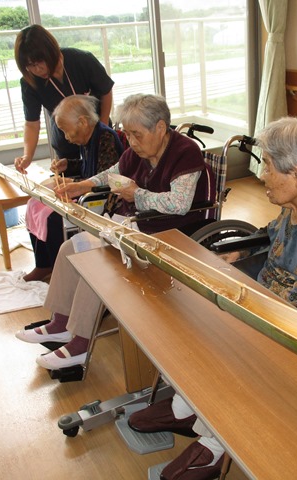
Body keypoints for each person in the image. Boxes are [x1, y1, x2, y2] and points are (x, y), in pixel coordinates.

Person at [127, 116, 297, 480]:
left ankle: (215, 446)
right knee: (196, 315)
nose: (262, 176)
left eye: (269, 167)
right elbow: (272, 234)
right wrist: (240, 252)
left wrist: (239, 305)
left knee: (229, 338)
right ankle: (186, 408)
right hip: (278, 294)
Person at [15, 93, 215, 369]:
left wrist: (137, 195)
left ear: (160, 128)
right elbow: (114, 171)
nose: (131, 142)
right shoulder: (139, 151)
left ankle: (81, 343)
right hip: (136, 226)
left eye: (136, 135)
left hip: (171, 233)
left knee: (98, 261)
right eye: (127, 135)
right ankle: (60, 323)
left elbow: (179, 204)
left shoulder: (185, 151)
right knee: (70, 247)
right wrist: (83, 185)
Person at [23, 95, 123, 282]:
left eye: (66, 131)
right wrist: (67, 165)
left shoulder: (105, 137)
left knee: (52, 217)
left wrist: (76, 183)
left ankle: (60, 270)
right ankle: (43, 265)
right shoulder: (86, 138)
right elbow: (87, 167)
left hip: (99, 199)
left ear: (83, 122)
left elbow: (106, 178)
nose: (66, 137)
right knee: (34, 204)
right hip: (85, 190)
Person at [13, 24, 114, 173]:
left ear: (50, 51)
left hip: (96, 132)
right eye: (30, 66)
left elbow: (106, 91)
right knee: (68, 178)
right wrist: (27, 156)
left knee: (101, 176)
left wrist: (102, 128)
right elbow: (31, 123)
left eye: (39, 62)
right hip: (65, 140)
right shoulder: (30, 82)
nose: (37, 70)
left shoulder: (82, 60)